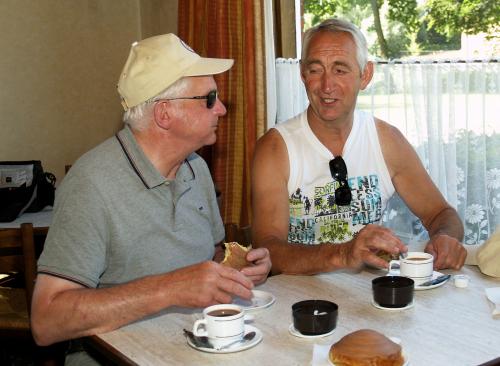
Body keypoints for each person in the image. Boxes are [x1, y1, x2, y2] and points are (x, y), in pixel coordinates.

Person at [30, 33, 271, 362]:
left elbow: (211, 257)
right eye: (209, 98)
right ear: (165, 114)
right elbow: (46, 322)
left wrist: (235, 271)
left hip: (194, 347)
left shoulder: (196, 168)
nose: (222, 109)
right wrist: (169, 288)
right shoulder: (90, 184)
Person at [251, 18, 466, 275]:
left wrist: (446, 239)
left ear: (365, 75)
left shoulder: (387, 140)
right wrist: (342, 254)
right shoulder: (275, 149)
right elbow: (267, 249)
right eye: (316, 70)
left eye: (340, 70)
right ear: (302, 74)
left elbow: (441, 213)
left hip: (371, 297)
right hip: (302, 303)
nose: (327, 86)